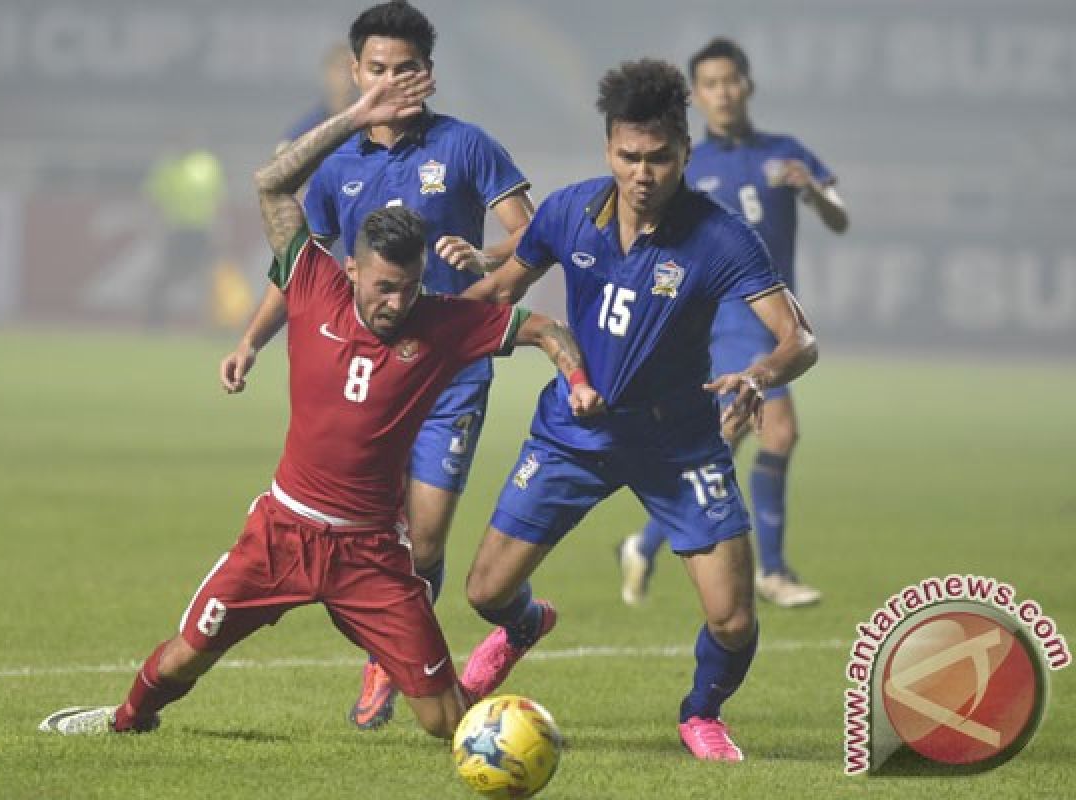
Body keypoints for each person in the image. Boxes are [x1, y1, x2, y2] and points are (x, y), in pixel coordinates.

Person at [38, 71, 601, 741]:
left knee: (442, 721)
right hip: (281, 533)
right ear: (354, 270)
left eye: (411, 287)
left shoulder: (443, 322)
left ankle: (520, 736)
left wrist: (576, 381)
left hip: (369, 554)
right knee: (187, 655)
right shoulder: (313, 282)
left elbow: (541, 327)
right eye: (386, 287)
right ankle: (125, 720)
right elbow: (270, 183)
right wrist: (357, 115)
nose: (398, 302)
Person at [457, 59, 818, 761]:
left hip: (680, 443)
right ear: (608, 150)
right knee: (484, 592)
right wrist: (416, 321)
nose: (643, 172)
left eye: (659, 157)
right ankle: (525, 625)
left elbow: (798, 338)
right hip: (572, 432)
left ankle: (702, 712)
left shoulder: (721, 238)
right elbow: (501, 288)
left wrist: (759, 375)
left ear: (685, 152)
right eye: (629, 156)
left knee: (735, 619)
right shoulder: (568, 211)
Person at [300, 1, 535, 731]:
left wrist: (488, 259)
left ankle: (392, 662)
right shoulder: (335, 164)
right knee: (371, 529)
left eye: (406, 68)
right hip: (367, 373)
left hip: (447, 372)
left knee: (424, 539)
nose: (391, 80)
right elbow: (300, 272)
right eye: (377, 68)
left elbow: (533, 238)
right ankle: (400, 657)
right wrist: (249, 342)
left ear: (427, 75)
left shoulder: (466, 147)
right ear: (355, 73)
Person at [617, 38, 848, 609]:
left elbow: (840, 218)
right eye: (711, 84)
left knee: (724, 436)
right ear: (698, 96)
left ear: (747, 84)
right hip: (721, 316)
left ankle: (644, 544)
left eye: (730, 80)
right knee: (780, 429)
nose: (722, 91)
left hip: (774, 319)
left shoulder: (785, 152)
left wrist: (814, 193)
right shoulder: (688, 163)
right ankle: (772, 570)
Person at [142, 138, 227, 328]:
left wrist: (220, 228)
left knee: (206, 278)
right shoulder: (167, 166)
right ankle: (155, 319)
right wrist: (154, 227)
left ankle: (209, 323)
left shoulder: (208, 165)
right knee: (167, 275)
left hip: (202, 230)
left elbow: (218, 200)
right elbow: (154, 198)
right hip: (177, 229)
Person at [282, 42, 360, 143]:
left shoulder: (370, 121)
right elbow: (284, 149)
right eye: (340, 69)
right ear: (328, 74)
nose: (347, 77)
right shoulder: (310, 126)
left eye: (352, 69)